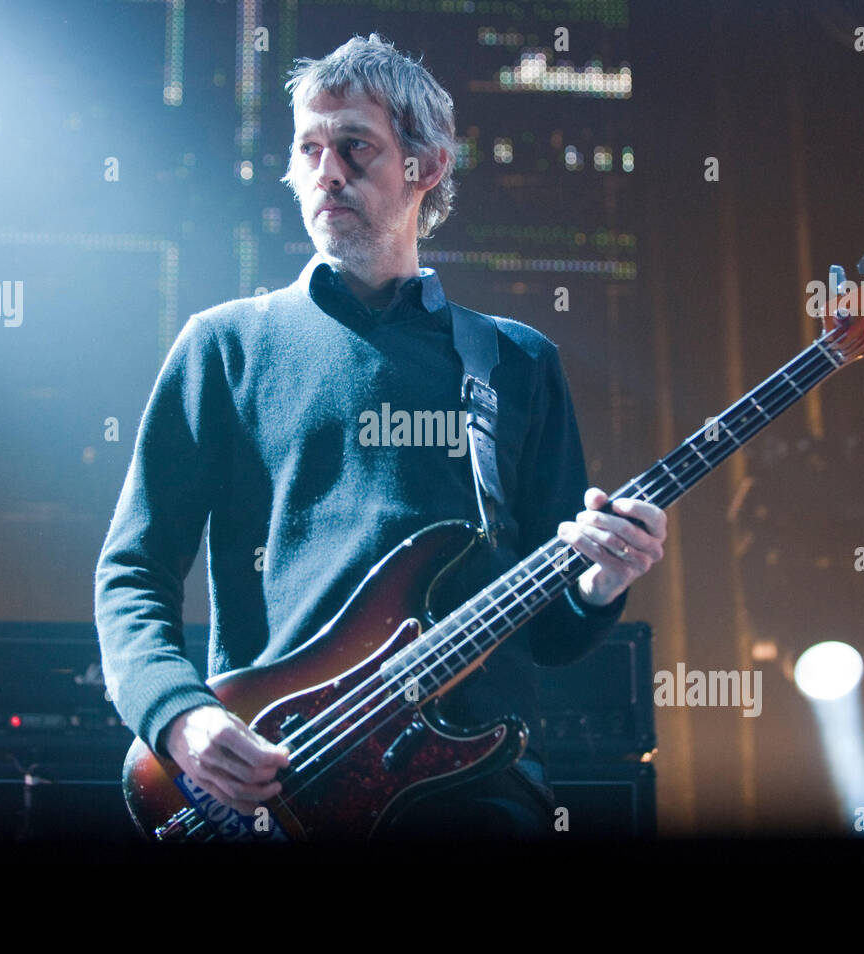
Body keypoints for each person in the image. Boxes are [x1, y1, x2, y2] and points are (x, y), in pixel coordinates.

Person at [93, 33, 666, 842]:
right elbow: (133, 569)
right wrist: (179, 716)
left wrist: (602, 584)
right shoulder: (223, 347)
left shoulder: (515, 360)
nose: (327, 170)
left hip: (478, 796)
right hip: (280, 790)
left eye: (355, 146)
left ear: (425, 166)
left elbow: (552, 631)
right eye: (309, 149)